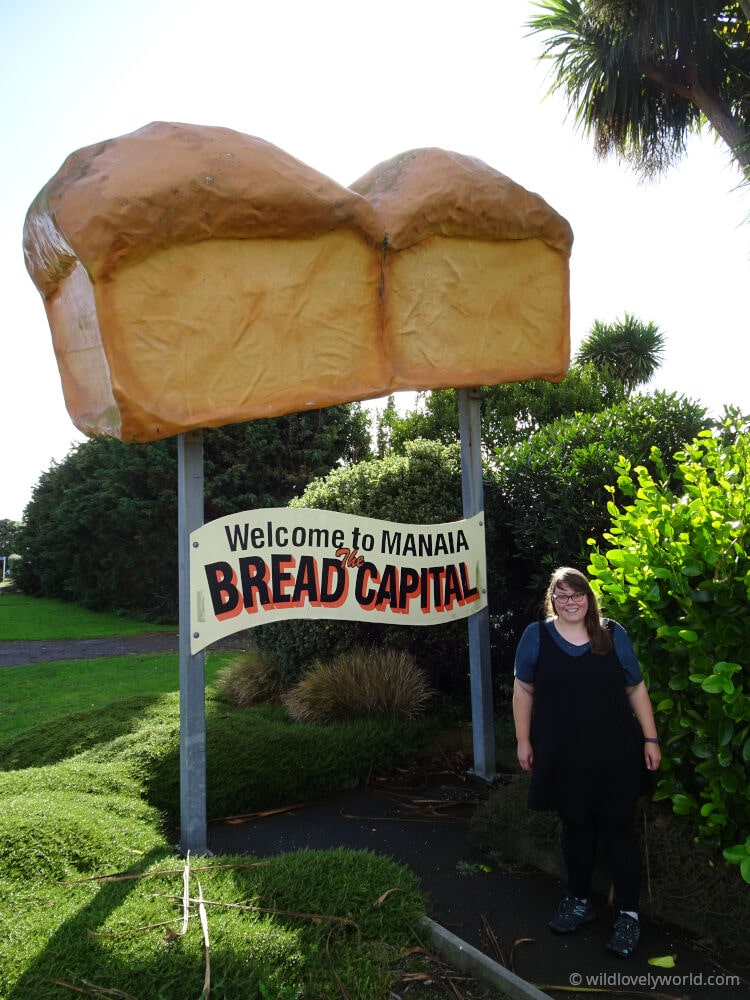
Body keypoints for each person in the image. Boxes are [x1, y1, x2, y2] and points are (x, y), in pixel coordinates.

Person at [512, 566, 661, 959]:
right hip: (563, 758)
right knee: (575, 827)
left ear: (588, 598)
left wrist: (651, 737)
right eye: (562, 596)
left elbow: (635, 686)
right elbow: (524, 689)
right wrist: (523, 740)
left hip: (616, 756)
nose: (570, 602)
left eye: (577, 595)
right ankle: (578, 902)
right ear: (552, 599)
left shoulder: (612, 634)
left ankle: (628, 915)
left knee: (618, 832)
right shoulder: (536, 637)